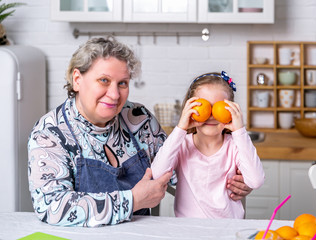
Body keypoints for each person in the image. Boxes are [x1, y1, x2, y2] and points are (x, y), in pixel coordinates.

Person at [27, 37, 250, 227]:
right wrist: (132, 200)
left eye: (122, 83)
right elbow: (52, 206)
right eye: (104, 80)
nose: (114, 94)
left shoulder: (138, 118)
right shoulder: (51, 134)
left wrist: (231, 180)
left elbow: (176, 172)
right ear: (77, 79)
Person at [151, 71, 265, 218]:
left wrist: (239, 131)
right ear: (190, 109)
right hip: (190, 231)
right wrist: (181, 128)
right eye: (205, 106)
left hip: (228, 230)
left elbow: (256, 181)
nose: (211, 115)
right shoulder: (183, 145)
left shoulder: (235, 146)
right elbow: (158, 173)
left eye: (218, 107)